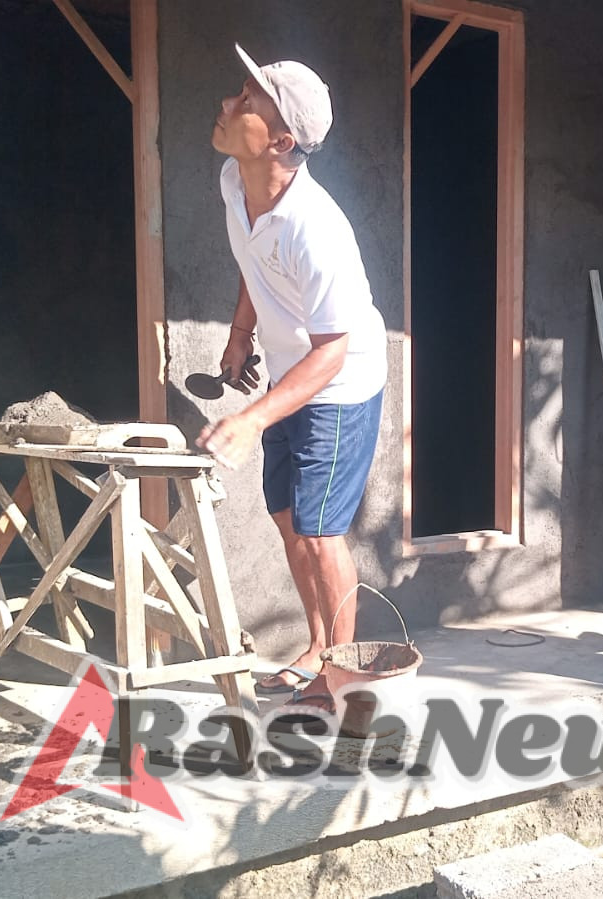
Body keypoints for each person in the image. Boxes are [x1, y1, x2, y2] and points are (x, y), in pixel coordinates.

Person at [201, 45, 388, 713]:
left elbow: (333, 352)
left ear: (280, 139)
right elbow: (255, 266)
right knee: (286, 515)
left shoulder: (317, 228)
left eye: (245, 102)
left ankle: (342, 682)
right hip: (289, 373)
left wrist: (252, 417)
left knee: (316, 530)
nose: (227, 105)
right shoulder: (234, 181)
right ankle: (317, 648)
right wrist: (240, 332)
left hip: (337, 383)